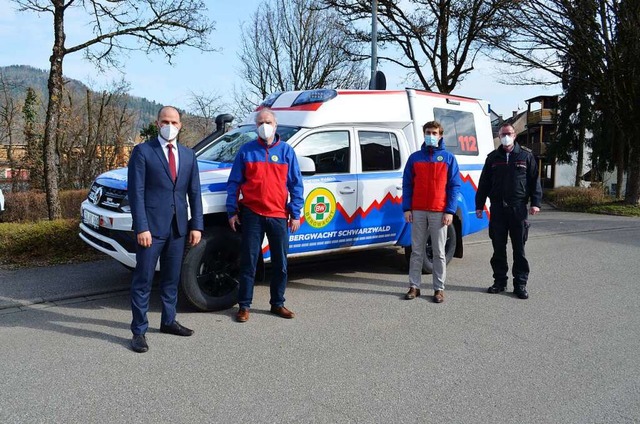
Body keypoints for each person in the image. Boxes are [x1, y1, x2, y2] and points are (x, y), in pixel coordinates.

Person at [127, 106, 204, 353]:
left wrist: (197, 226)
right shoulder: (143, 152)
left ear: (180, 125)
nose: (169, 125)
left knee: (171, 279)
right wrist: (141, 226)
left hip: (178, 228)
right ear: (157, 123)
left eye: (174, 121)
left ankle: (168, 320)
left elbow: (195, 194)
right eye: (164, 121)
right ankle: (139, 331)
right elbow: (135, 193)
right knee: (144, 280)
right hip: (150, 229)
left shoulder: (188, 155)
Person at [226, 108, 304, 322]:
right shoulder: (246, 151)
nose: (264, 125)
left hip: (279, 215)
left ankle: (277, 304)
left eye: (268, 121)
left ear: (275, 125)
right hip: (252, 214)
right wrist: (232, 211)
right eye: (260, 122)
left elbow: (296, 185)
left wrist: (295, 213)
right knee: (249, 262)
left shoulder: (287, 152)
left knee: (280, 263)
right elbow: (234, 183)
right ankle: (244, 306)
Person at [475, 124, 542, 299]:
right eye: (503, 134)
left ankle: (520, 284)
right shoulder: (492, 158)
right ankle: (499, 282)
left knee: (519, 249)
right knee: (498, 248)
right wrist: (479, 205)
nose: (506, 136)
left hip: (518, 209)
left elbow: (534, 181)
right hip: (497, 209)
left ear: (515, 135)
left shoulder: (525, 156)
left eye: (509, 134)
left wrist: (536, 203)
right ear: (499, 135)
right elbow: (484, 184)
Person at [402, 120, 461, 303]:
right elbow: (407, 184)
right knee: (416, 251)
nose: (431, 136)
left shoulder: (449, 158)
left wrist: (450, 211)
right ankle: (414, 286)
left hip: (439, 210)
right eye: (428, 132)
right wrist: (407, 208)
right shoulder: (414, 158)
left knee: (439, 252)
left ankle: (438, 289)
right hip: (418, 210)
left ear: (440, 135)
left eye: (434, 133)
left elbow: (454, 186)